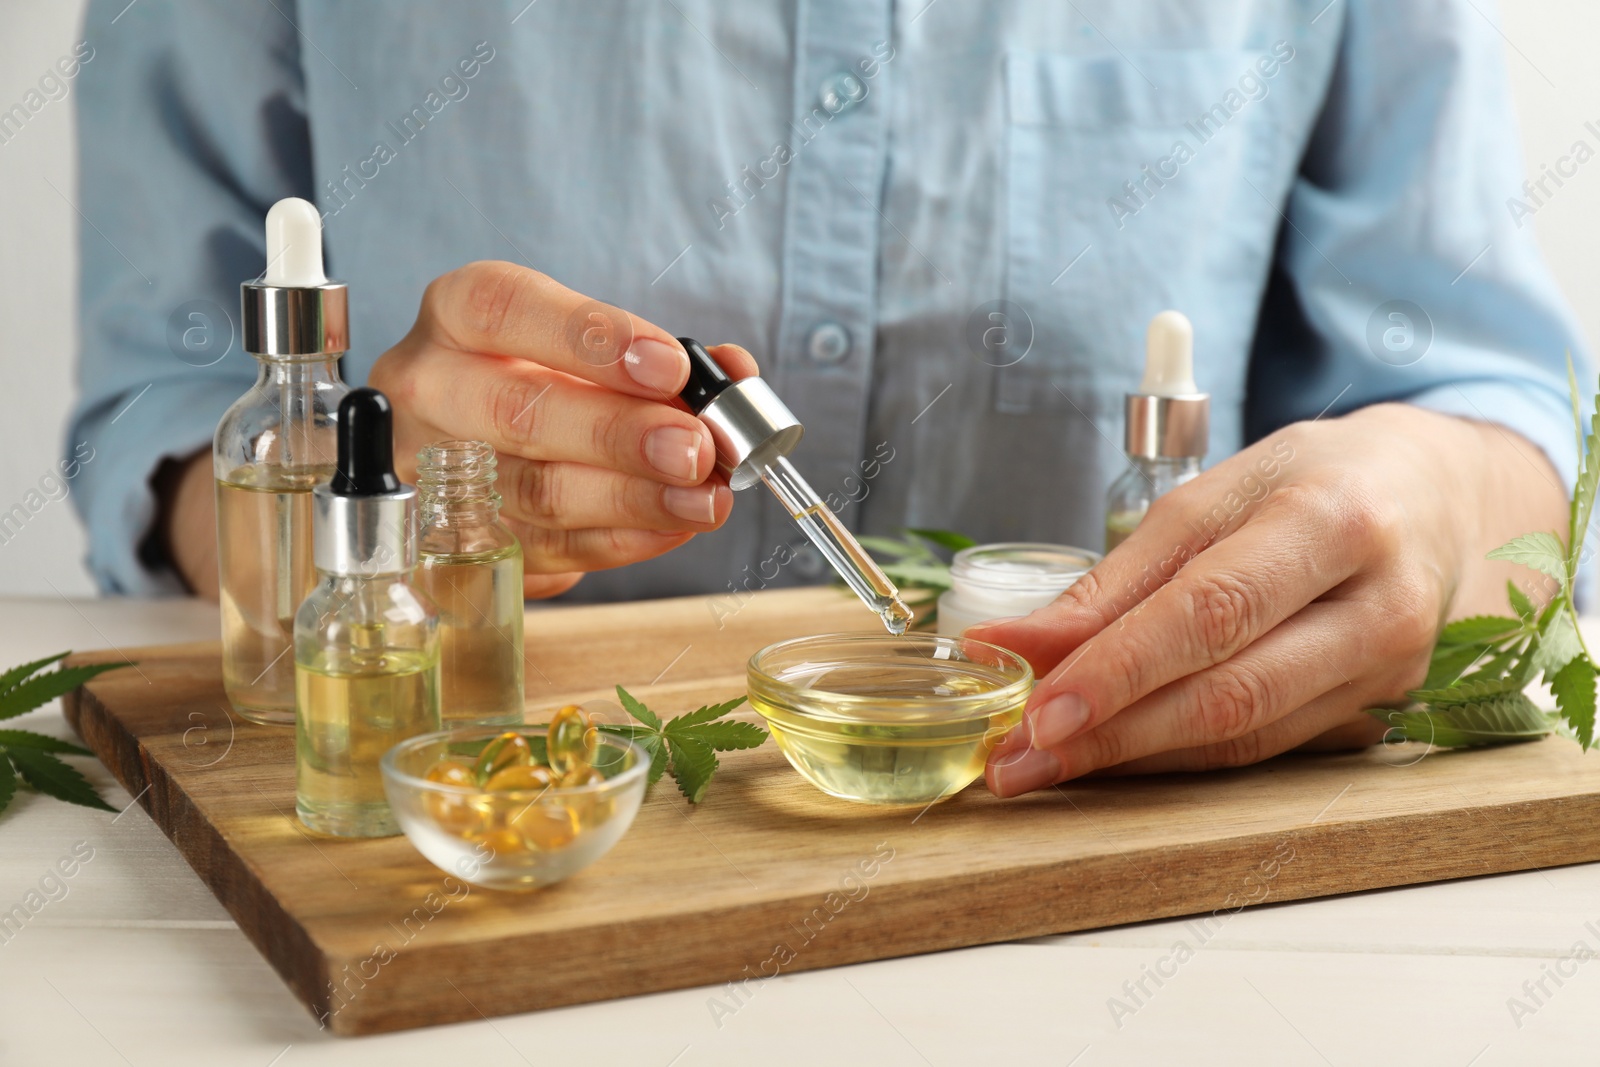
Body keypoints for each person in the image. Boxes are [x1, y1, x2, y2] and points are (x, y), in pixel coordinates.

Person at [70, 1, 1587, 796]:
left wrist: (1427, 501)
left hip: (1099, 835)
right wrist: (371, 507)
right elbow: (163, 418)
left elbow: (1494, 403)